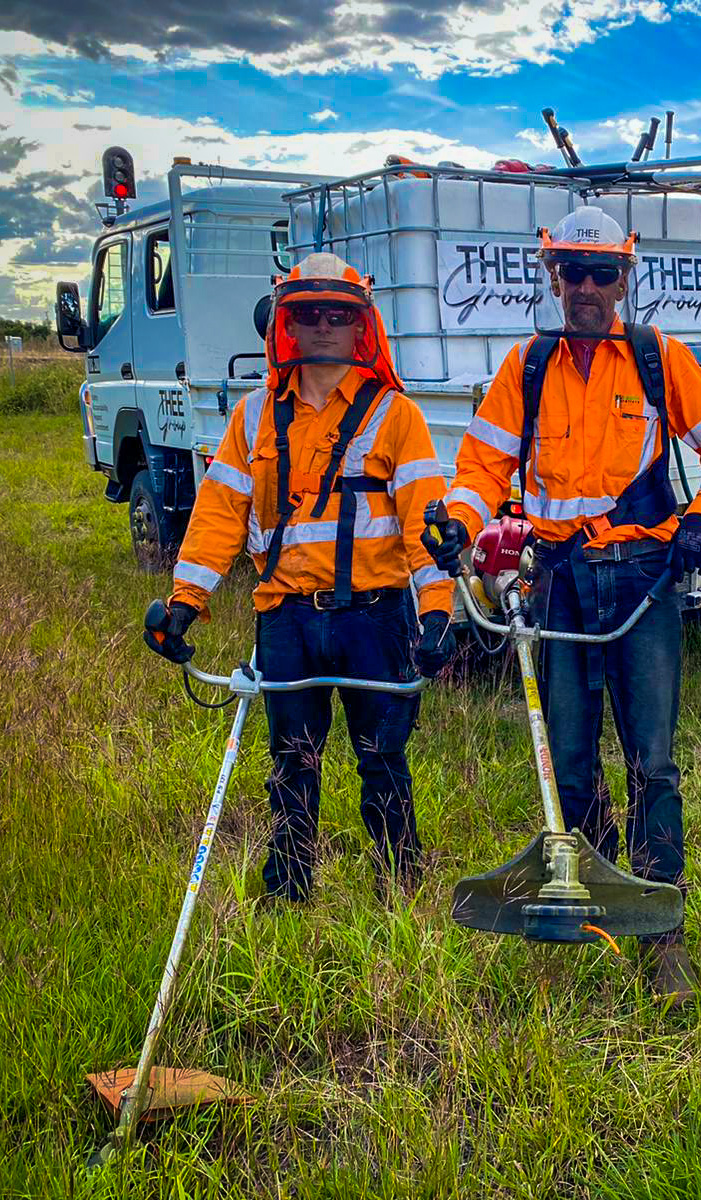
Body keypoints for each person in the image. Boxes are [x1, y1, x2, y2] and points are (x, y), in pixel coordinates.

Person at [425, 208, 701, 1004]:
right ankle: (604, 900)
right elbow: (480, 465)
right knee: (570, 764)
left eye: (602, 273)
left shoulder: (656, 358)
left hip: (642, 575)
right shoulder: (527, 367)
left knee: (653, 761)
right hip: (562, 580)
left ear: (624, 277)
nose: (587, 288)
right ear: (553, 278)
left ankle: (665, 928)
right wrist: (457, 520)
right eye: (572, 272)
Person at [145, 252, 456, 903]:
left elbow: (422, 522)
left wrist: (435, 612)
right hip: (285, 618)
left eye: (336, 315)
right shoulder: (253, 416)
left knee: (382, 760)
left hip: (374, 616)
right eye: (308, 313)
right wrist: (184, 601)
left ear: (358, 326)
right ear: (286, 323)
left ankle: (401, 887)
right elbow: (219, 514)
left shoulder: (395, 416)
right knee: (291, 764)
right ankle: (288, 893)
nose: (322, 327)